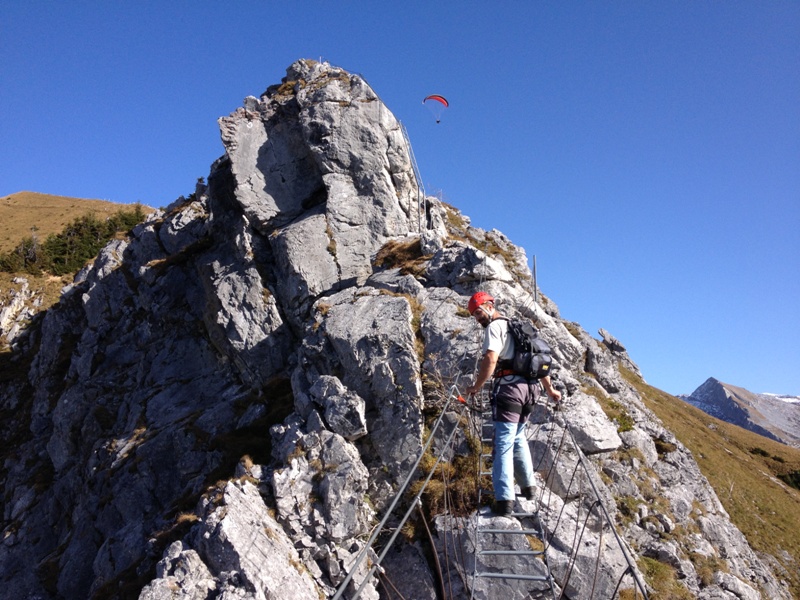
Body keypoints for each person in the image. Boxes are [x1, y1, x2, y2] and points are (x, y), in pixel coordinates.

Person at [465, 291, 562, 516]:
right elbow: (535, 361)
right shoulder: (517, 328)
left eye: (478, 312)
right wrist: (549, 389)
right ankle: (529, 488)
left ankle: (504, 499)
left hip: (509, 389)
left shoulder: (495, 327)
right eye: (474, 315)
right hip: (530, 390)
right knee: (518, 436)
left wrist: (476, 386)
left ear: (490, 306)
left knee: (503, 443)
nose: (477, 318)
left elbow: (491, 359)